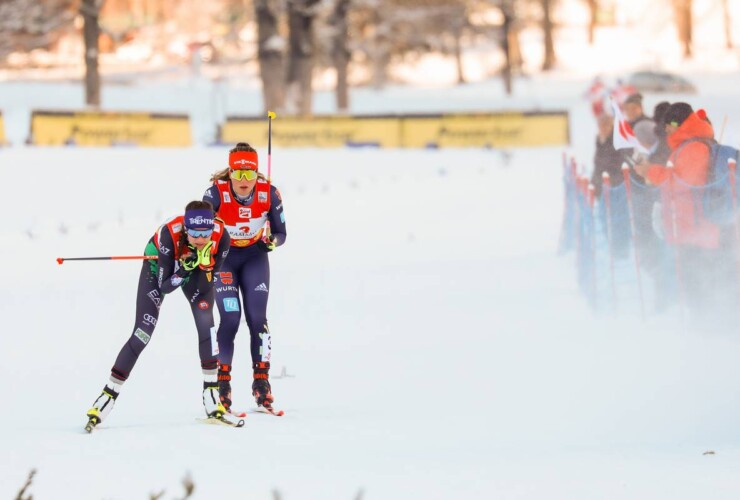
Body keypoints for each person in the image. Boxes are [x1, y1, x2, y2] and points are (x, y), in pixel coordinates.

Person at [86, 201, 232, 429]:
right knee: (143, 333)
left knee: (207, 323)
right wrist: (184, 269)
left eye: (206, 233)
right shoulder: (169, 234)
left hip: (192, 271)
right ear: (186, 228)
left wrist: (204, 267)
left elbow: (206, 287)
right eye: (194, 233)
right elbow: (165, 286)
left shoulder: (222, 237)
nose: (201, 239)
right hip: (158, 270)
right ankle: (107, 396)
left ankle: (211, 395)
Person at [203, 142, 287, 414]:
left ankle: (261, 382)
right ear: (229, 173)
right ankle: (222, 383)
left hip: (254, 258)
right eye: (237, 174)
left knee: (257, 319)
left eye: (249, 175)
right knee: (229, 318)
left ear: (257, 174)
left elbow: (282, 232)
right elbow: (200, 226)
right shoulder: (215, 193)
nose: (243, 181)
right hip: (225, 260)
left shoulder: (269, 194)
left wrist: (271, 240)